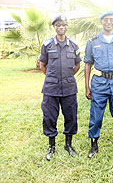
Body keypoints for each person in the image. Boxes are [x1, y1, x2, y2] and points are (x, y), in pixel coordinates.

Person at [84, 11, 113, 159]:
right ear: (101, 22)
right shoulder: (93, 42)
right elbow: (87, 64)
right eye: (106, 20)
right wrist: (87, 87)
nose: (108, 22)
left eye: (111, 20)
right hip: (99, 84)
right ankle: (94, 144)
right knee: (96, 116)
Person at [39, 15, 81, 161]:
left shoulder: (74, 45)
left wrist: (67, 76)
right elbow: (42, 65)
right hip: (51, 88)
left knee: (71, 116)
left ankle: (68, 145)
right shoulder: (47, 45)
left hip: (69, 87)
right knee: (50, 117)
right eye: (58, 25)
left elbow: (77, 65)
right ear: (55, 27)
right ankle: (52, 146)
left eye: (63, 25)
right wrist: (52, 77)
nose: (61, 27)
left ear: (66, 26)